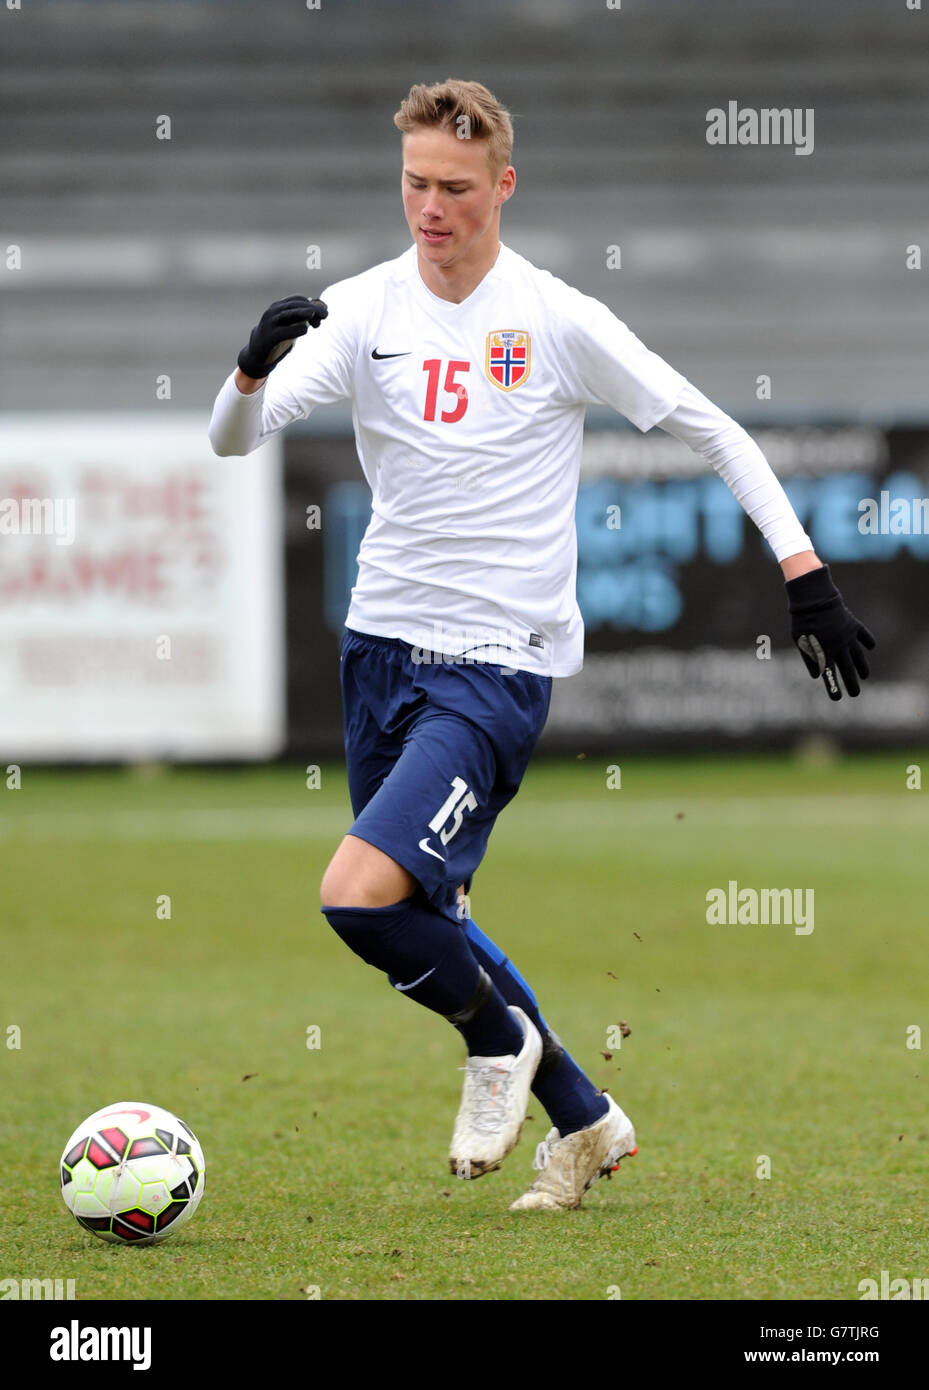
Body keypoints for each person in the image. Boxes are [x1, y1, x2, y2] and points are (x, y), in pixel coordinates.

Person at [209, 79, 874, 1211]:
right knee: (432, 914)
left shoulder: (554, 318)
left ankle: (492, 1046)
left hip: (493, 665)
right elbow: (231, 441)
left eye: (456, 188)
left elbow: (711, 426)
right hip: (377, 652)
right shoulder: (364, 308)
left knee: (360, 896)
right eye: (415, 183)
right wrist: (247, 369)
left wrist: (802, 574)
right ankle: (582, 1121)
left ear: (502, 186)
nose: (432, 206)